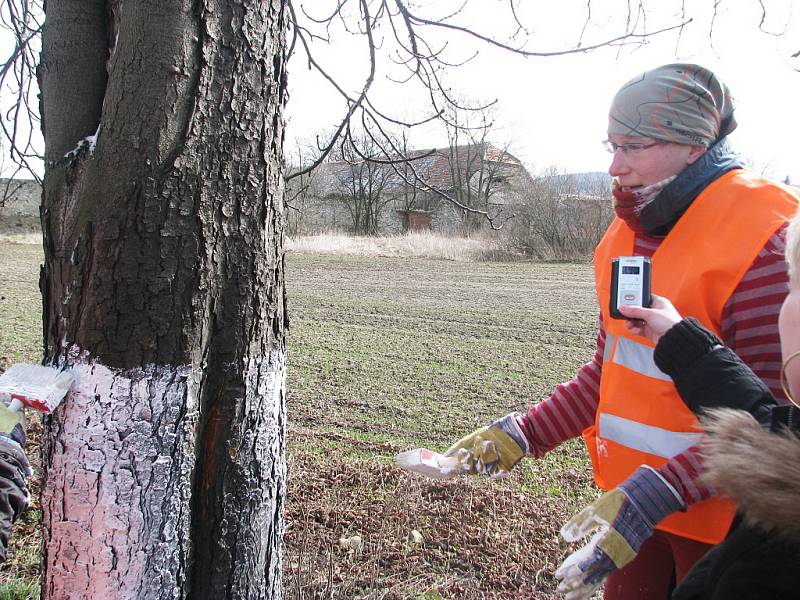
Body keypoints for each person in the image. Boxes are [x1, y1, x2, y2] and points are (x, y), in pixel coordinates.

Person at [443, 63, 799, 599]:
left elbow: (778, 424)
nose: (614, 165)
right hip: (635, 516)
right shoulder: (625, 232)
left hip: (737, 527)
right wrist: (523, 434)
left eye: (633, 146)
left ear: (694, 145)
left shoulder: (766, 235)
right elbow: (610, 371)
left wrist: (660, 490)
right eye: (611, 144)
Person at [605, 209, 800, 599]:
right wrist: (684, 342)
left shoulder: (767, 566)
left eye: (793, 285)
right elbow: (769, 423)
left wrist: (670, 485)